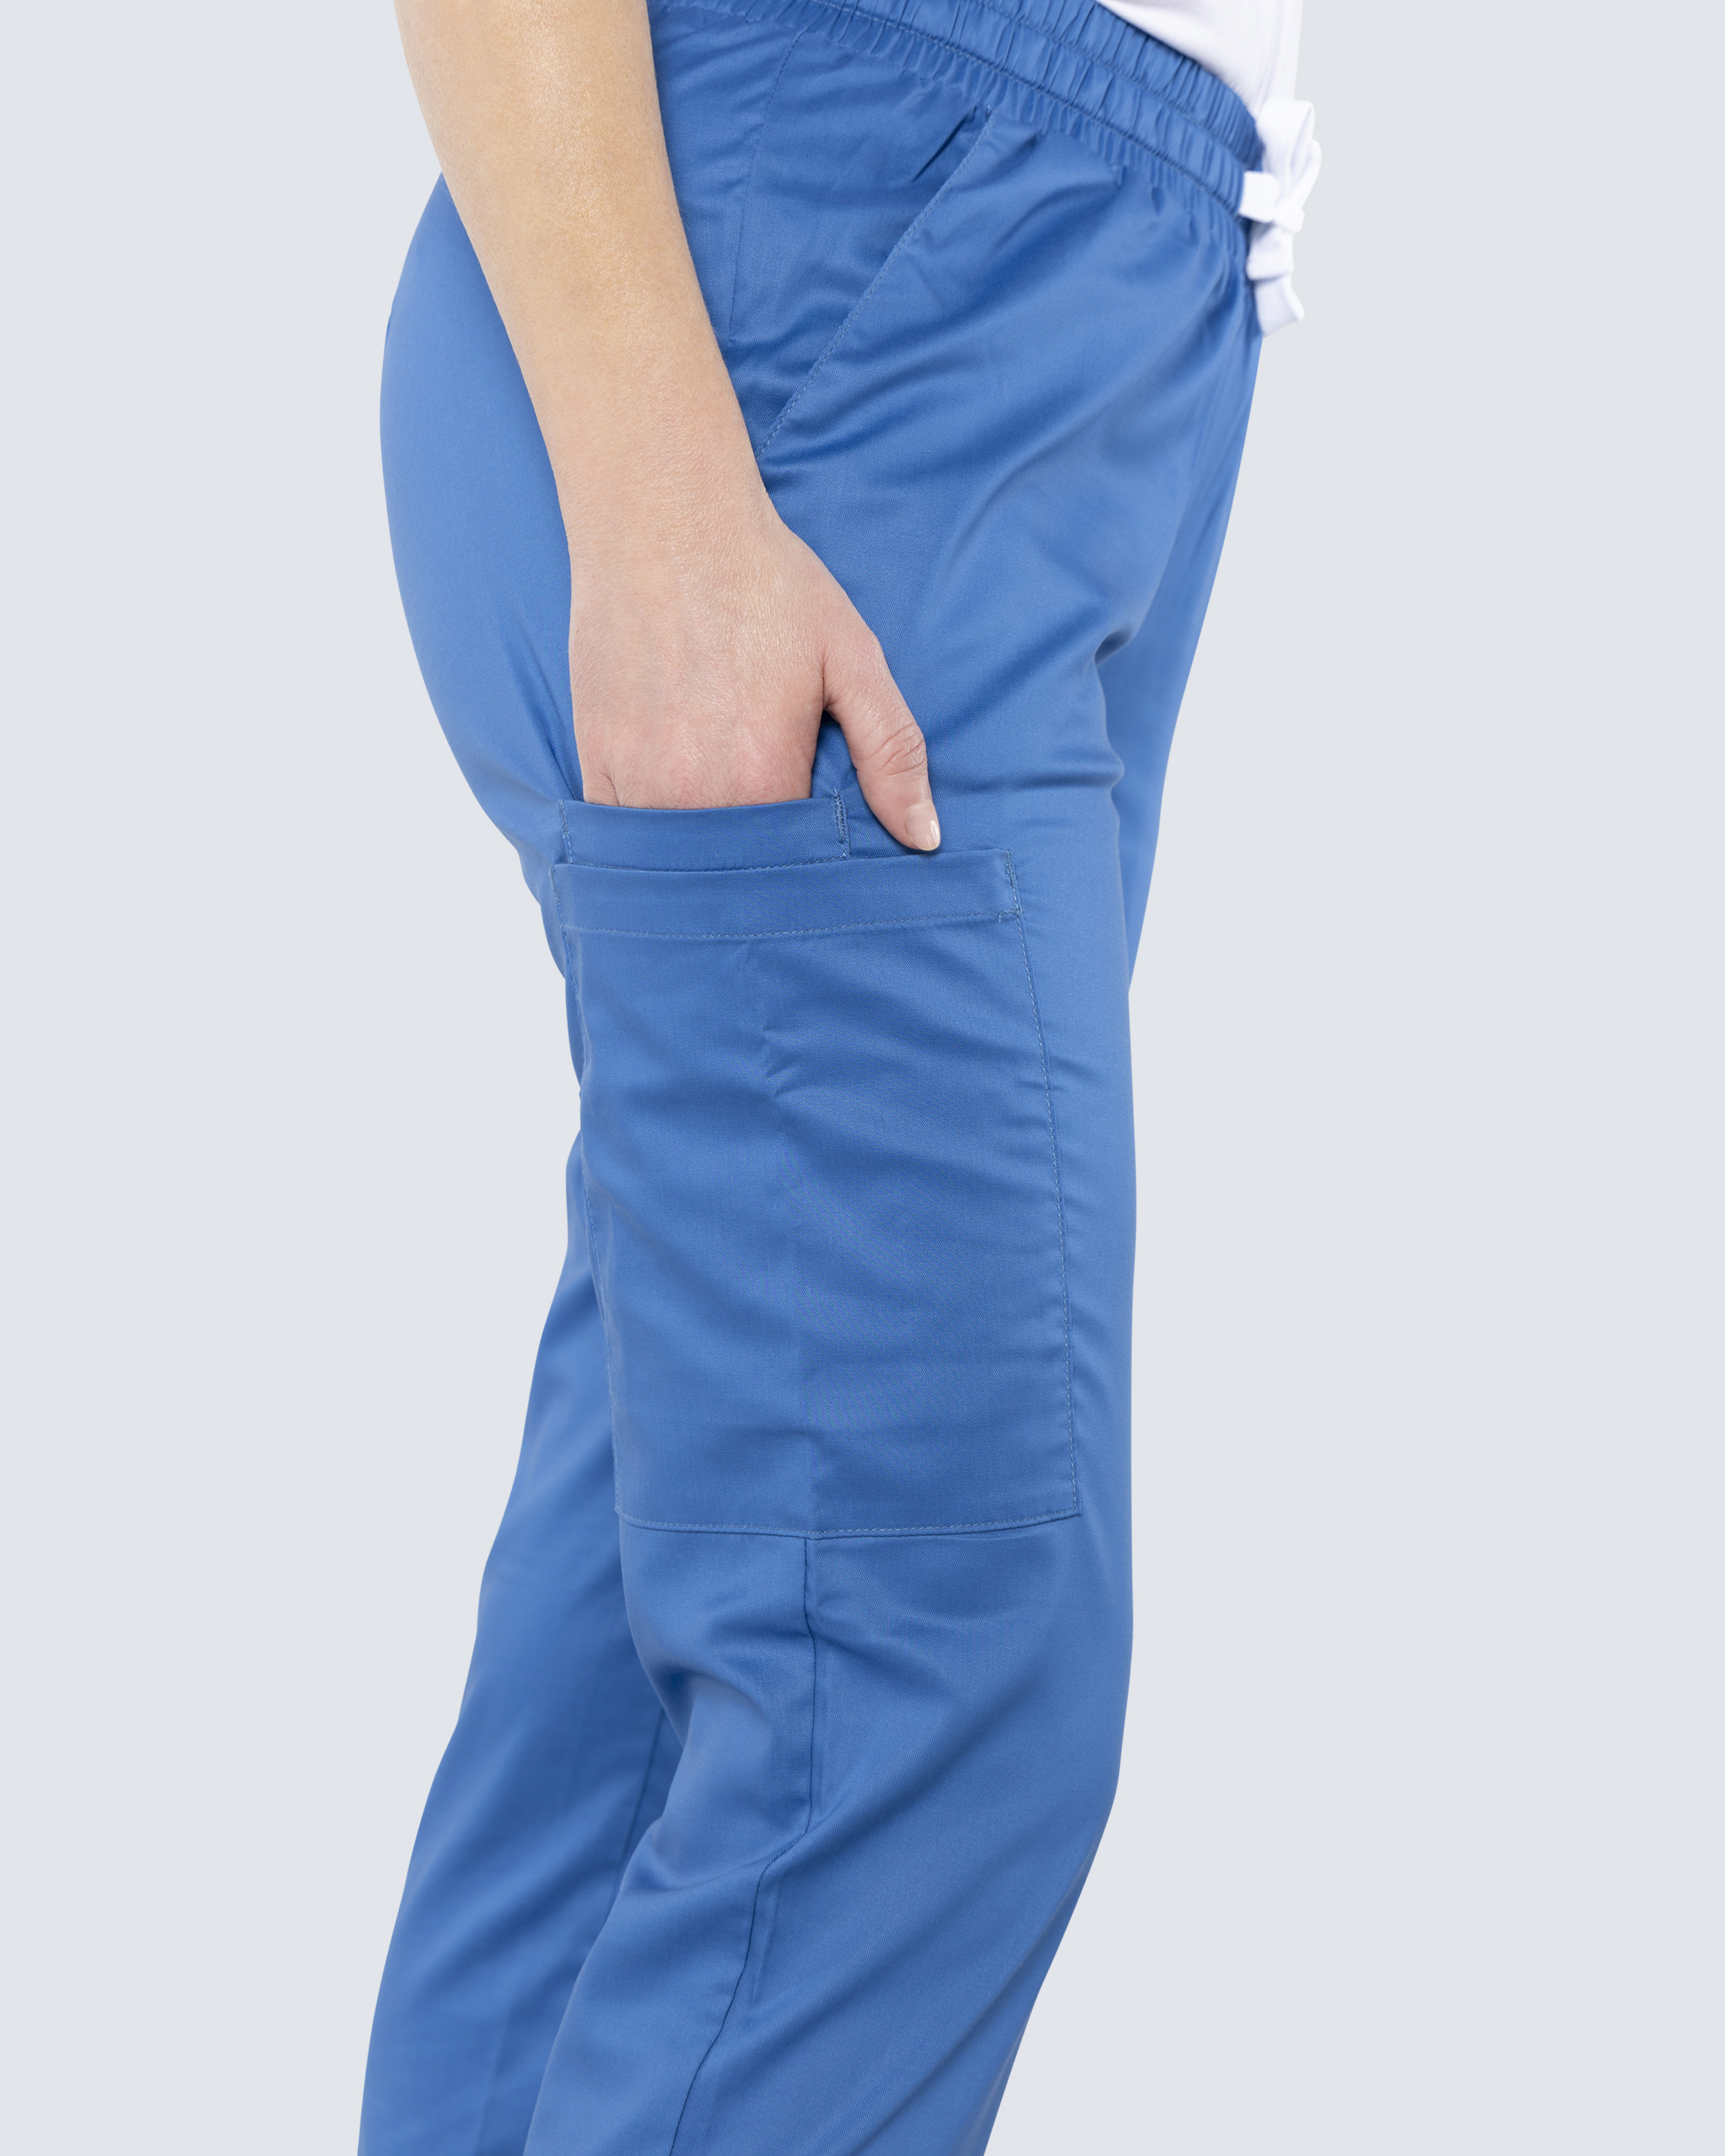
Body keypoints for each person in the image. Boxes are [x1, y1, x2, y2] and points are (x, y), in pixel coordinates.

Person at [359, 1, 1319, 2148]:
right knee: (914, 1667)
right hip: (825, 293)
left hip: (1004, 306)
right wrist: (660, 502)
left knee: (644, 1712)